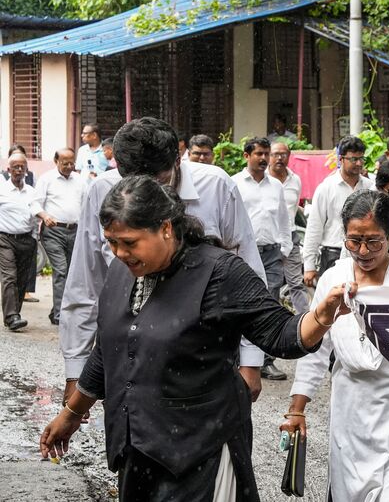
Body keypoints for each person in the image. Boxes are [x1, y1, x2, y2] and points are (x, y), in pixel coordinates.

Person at [40, 175, 346, 501]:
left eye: (129, 243)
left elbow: (280, 334)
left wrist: (321, 317)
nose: (119, 253)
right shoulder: (120, 272)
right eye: (112, 242)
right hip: (137, 450)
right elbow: (109, 351)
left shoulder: (220, 273)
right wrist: (71, 414)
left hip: (202, 451)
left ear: (166, 229)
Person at [60, 117, 269, 406]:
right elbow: (85, 283)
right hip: (130, 358)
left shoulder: (216, 186)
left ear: (177, 161)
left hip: (206, 355)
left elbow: (248, 272)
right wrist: (76, 370)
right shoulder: (102, 191)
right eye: (130, 183)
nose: (143, 196)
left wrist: (251, 360)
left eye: (156, 183)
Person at [282, 190, 389, 501]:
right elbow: (315, 349)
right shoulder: (333, 279)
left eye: (373, 241)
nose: (363, 251)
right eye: (353, 241)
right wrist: (297, 409)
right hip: (350, 413)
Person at [232, 137, 293, 381]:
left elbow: (283, 218)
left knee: (270, 304)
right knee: (239, 303)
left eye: (266, 153)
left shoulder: (276, 186)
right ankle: (238, 358)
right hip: (243, 252)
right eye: (259, 153)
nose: (264, 158)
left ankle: (267, 361)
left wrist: (285, 249)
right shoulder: (234, 183)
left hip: (271, 252)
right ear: (247, 156)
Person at [302, 136, 375, 287]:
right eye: (354, 159)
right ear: (341, 159)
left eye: (362, 158)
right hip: (333, 254)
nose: (359, 163)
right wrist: (309, 266)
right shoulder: (326, 188)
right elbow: (315, 227)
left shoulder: (369, 187)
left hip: (364, 254)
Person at [31, 148, 83, 325]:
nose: (69, 166)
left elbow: (86, 204)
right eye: (65, 163)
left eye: (72, 162)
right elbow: (35, 203)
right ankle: (61, 314)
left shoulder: (80, 180)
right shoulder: (47, 179)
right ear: (56, 161)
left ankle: (57, 310)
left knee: (70, 273)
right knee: (61, 270)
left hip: (75, 231)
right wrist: (45, 216)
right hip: (53, 232)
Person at [268, 141, 311, 316]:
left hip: (291, 236)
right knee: (271, 283)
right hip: (269, 239)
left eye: (283, 154)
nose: (279, 158)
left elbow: (294, 209)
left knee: (296, 282)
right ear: (269, 156)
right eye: (275, 154)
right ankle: (271, 320)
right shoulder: (263, 180)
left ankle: (305, 321)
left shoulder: (295, 180)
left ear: (289, 156)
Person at [0, 153, 36, 331]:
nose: (19, 170)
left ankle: (14, 314)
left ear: (27, 170)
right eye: (15, 166)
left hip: (26, 240)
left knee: (22, 280)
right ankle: (12, 316)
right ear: (8, 169)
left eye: (22, 166)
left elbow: (38, 213)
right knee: (9, 277)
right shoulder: (2, 190)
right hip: (5, 239)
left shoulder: (31, 191)